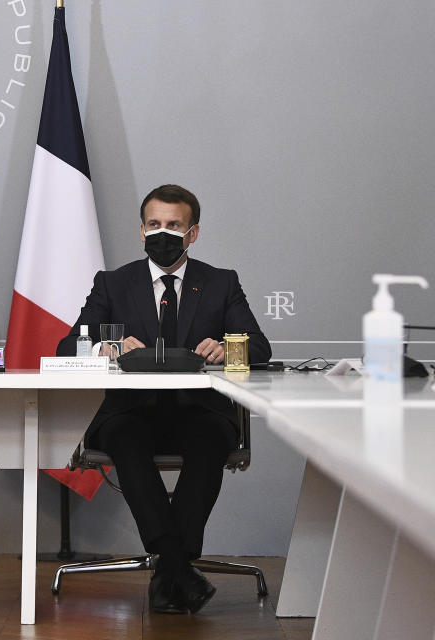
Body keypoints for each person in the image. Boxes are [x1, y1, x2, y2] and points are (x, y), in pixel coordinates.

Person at [57, 184, 271, 614]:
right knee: (126, 436)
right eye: (154, 224)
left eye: (174, 226)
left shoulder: (220, 282)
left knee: (210, 437)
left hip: (199, 412)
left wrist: (227, 347)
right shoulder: (114, 283)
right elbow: (67, 347)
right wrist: (106, 348)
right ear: (141, 230)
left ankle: (170, 567)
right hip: (131, 411)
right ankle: (177, 566)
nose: (163, 233)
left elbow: (259, 349)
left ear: (193, 234)